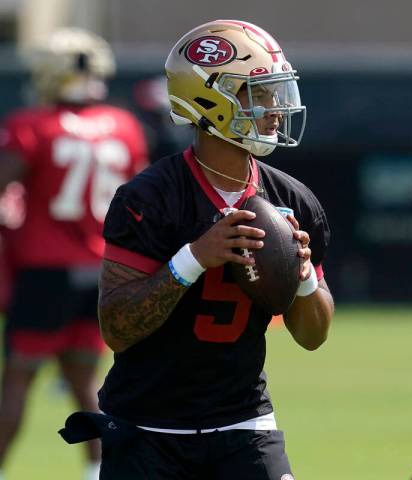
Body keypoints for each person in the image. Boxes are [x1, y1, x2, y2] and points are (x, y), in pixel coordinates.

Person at [59, 20, 334, 480]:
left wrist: (303, 275)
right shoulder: (149, 198)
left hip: (244, 424)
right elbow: (118, 328)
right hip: (147, 428)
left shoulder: (293, 200)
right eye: (259, 93)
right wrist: (193, 259)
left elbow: (313, 336)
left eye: (276, 92)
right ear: (211, 99)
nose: (276, 109)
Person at [0, 28, 147, 480]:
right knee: (86, 381)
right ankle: (97, 473)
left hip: (46, 269)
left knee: (19, 379)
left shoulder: (31, 125)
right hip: (102, 269)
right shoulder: (125, 126)